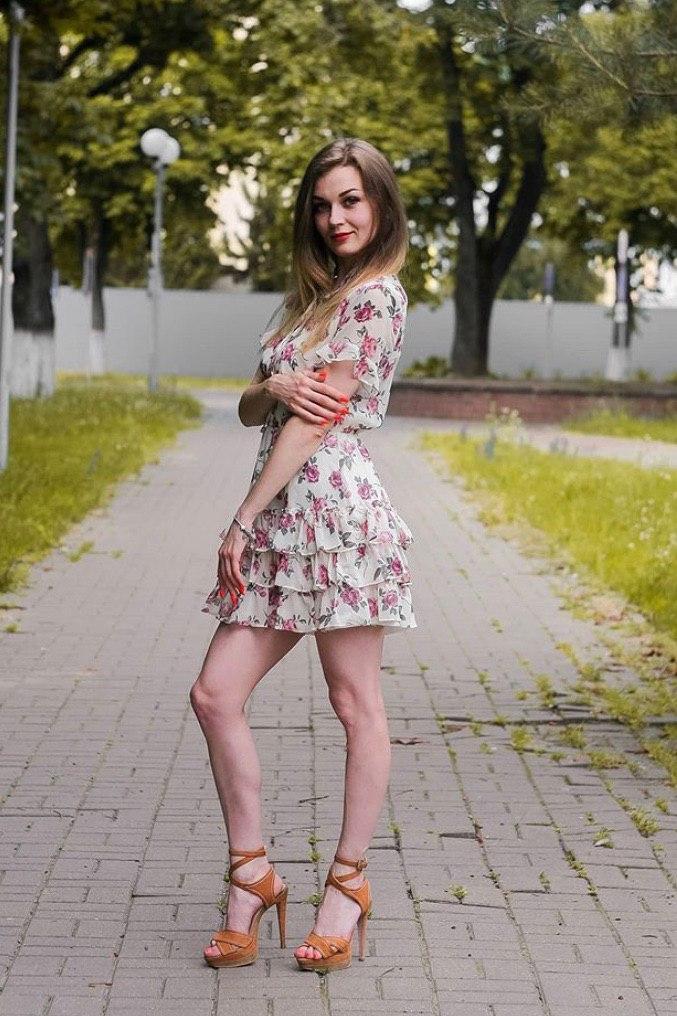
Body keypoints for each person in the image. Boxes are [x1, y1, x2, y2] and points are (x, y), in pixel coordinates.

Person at [190, 137, 416, 974]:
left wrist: (241, 518)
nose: (335, 218)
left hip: (337, 522)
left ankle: (347, 886)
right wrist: (272, 386)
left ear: (380, 204)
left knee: (354, 703)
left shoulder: (376, 298)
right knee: (215, 694)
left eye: (351, 200)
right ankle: (252, 874)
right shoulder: (306, 303)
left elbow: (317, 422)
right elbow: (255, 406)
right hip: (283, 522)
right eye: (322, 205)